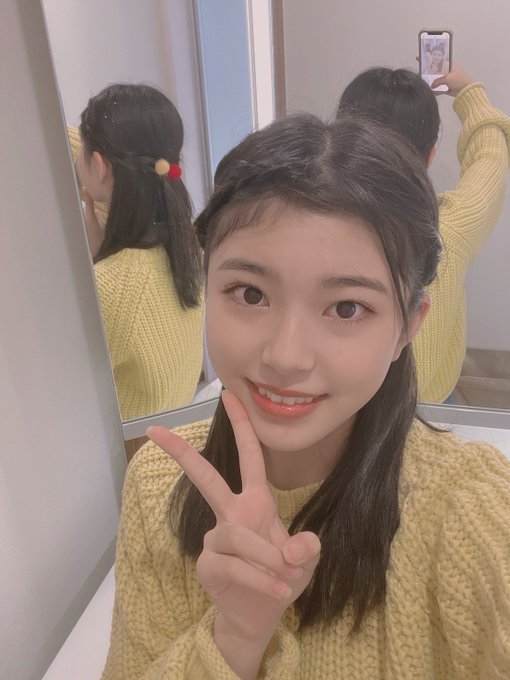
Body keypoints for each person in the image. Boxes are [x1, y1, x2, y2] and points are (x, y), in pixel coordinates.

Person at [101, 112, 510, 679]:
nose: (287, 356)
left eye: (347, 307)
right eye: (249, 293)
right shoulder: (158, 485)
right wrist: (235, 637)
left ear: (408, 327)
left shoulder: (473, 512)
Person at [338, 64, 510, 403]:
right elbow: (491, 155)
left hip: (341, 408)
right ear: (430, 155)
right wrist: (469, 91)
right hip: (430, 405)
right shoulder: (450, 228)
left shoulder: (309, 224)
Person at [76, 84, 204, 421]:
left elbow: (62, 392)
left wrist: (98, 262)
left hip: (133, 446)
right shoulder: (185, 242)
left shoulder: (111, 286)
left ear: (100, 166)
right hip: (174, 424)